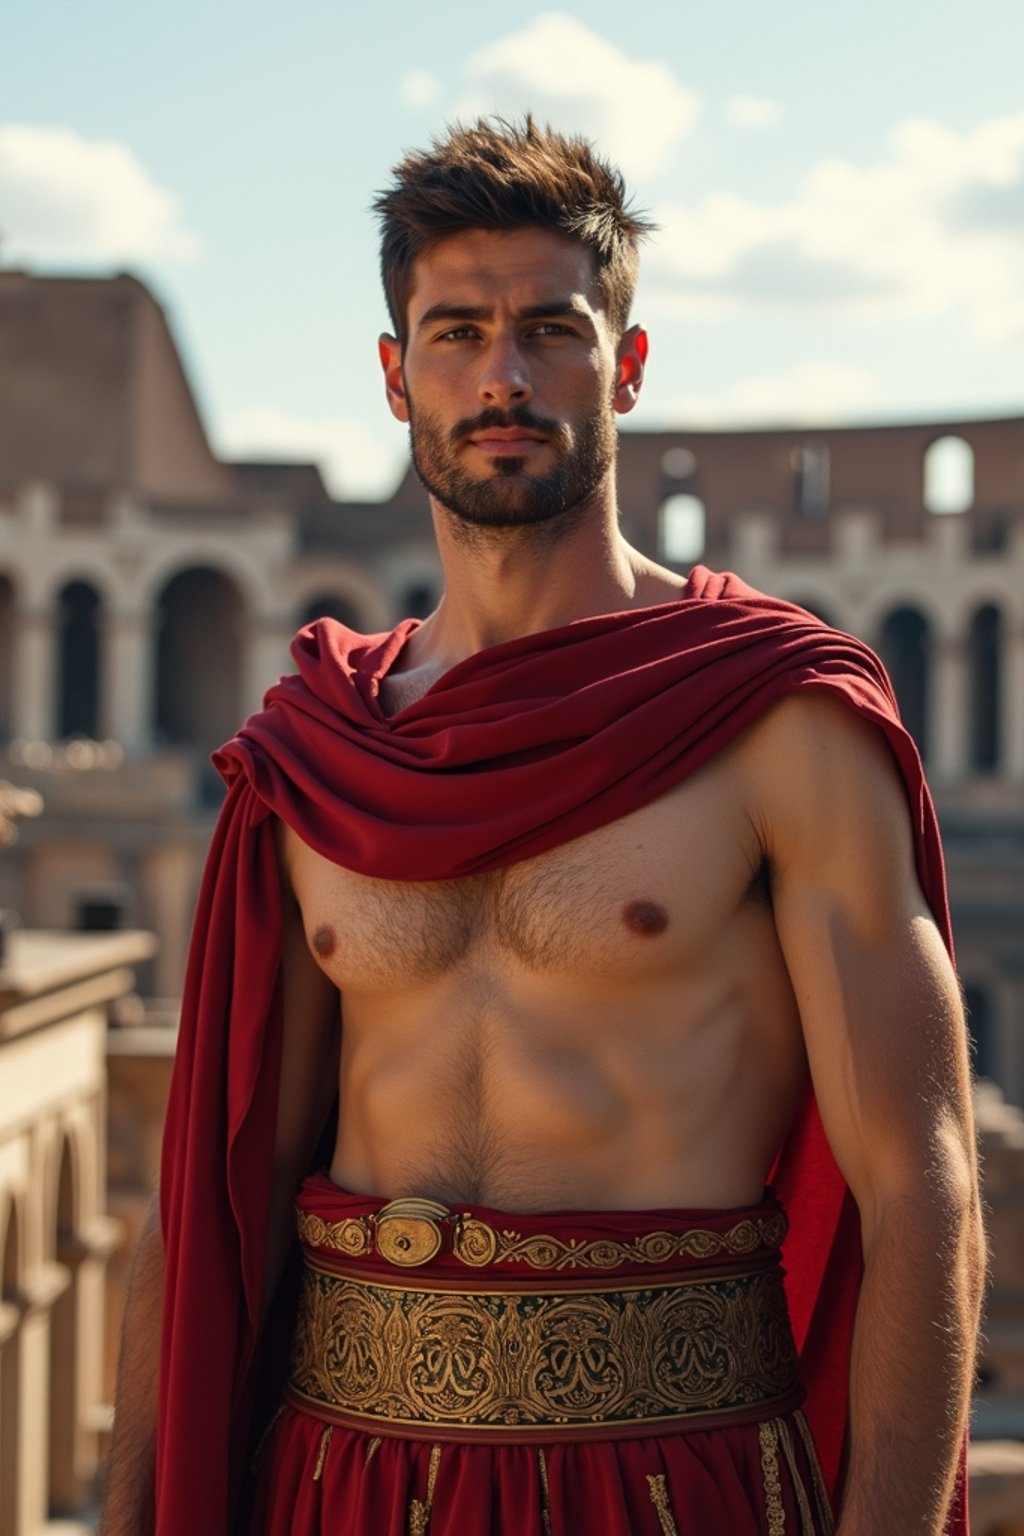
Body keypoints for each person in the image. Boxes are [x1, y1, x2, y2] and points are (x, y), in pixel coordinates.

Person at [102, 118, 985, 1536]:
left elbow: (921, 1186)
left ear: (627, 365)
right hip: (339, 1474)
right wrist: (133, 1501)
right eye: (456, 331)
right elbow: (213, 1193)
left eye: (550, 330)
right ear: (395, 378)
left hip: (669, 1471)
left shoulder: (778, 719)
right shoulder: (320, 749)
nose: (502, 374)